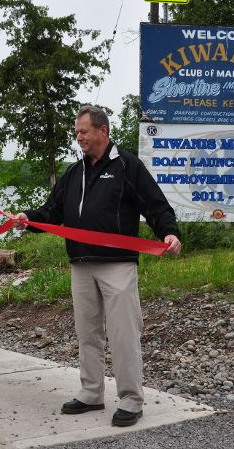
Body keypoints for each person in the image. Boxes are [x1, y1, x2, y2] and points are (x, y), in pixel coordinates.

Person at [13, 105, 181, 427]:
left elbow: (156, 205)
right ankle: (91, 393)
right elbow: (52, 211)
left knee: (123, 334)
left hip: (117, 265)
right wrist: (28, 220)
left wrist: (170, 232)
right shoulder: (74, 172)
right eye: (77, 132)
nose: (78, 137)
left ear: (102, 130)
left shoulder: (127, 166)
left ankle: (131, 399)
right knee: (87, 333)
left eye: (83, 131)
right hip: (80, 265)